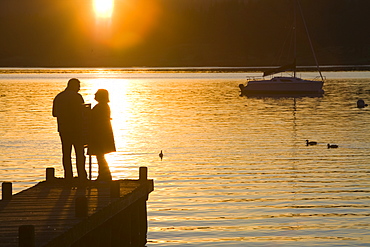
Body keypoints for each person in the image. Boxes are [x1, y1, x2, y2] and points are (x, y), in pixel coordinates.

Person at [52, 78, 87, 181]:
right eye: (78, 86)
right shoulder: (77, 97)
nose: (79, 89)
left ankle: (68, 176)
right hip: (77, 129)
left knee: (66, 153)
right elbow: (83, 113)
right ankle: (82, 176)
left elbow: (54, 113)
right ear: (74, 86)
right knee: (80, 153)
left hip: (63, 129)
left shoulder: (59, 97)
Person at [88, 89, 116, 181]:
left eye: (96, 94)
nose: (94, 95)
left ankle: (105, 175)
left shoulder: (101, 106)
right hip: (102, 133)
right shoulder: (103, 106)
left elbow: (96, 119)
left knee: (100, 155)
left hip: (100, 134)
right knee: (100, 155)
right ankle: (103, 175)